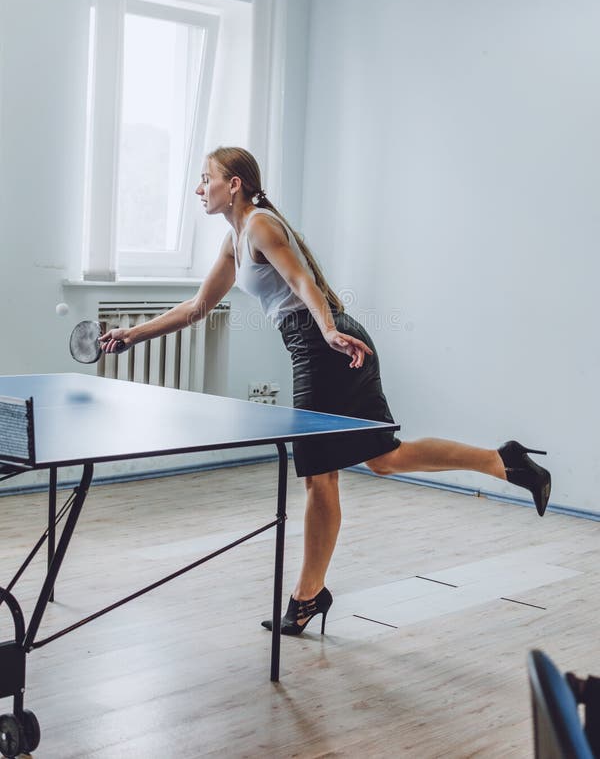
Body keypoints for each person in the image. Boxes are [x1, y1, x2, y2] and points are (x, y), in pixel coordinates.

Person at [100, 146, 552, 637]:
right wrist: (132, 333)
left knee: (320, 476)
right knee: (383, 457)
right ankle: (504, 461)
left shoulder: (260, 225)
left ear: (234, 184)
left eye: (205, 177)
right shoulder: (235, 239)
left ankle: (308, 596)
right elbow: (196, 307)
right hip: (321, 340)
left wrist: (330, 332)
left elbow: (302, 279)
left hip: (323, 343)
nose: (198, 188)